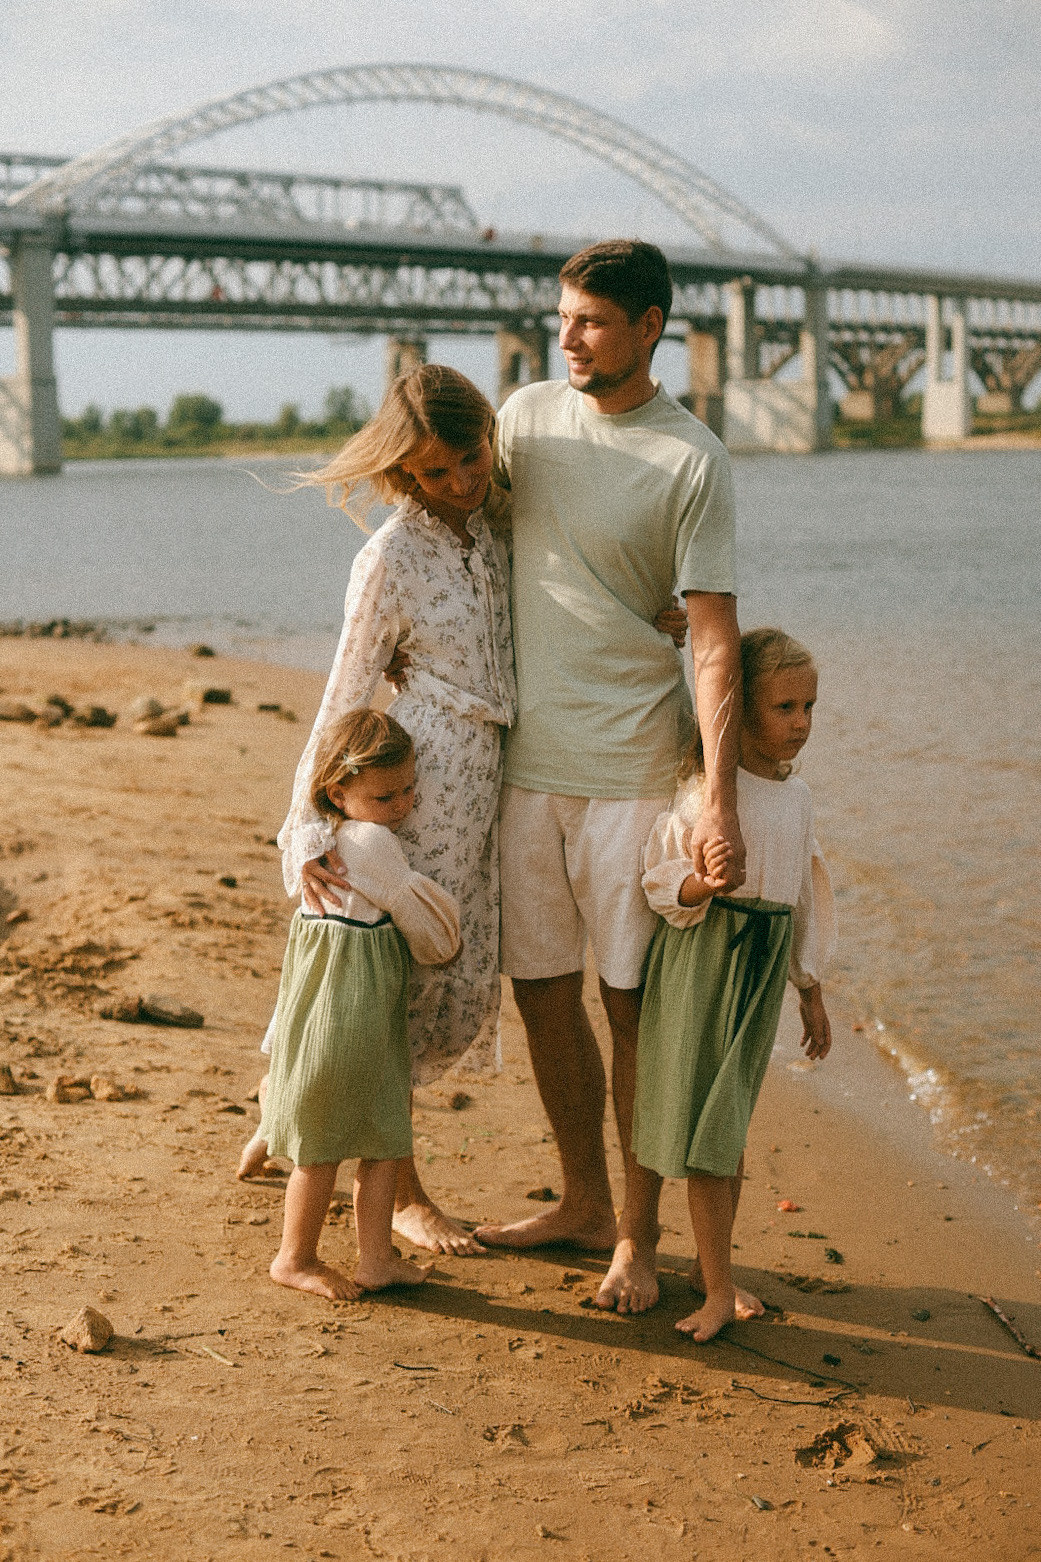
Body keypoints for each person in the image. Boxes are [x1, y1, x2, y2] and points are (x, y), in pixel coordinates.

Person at [474, 240, 746, 1289]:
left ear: (650, 327)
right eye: (563, 316)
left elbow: (715, 636)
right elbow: (460, 513)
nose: (569, 336)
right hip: (524, 762)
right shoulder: (527, 417)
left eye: (591, 319)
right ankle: (582, 1200)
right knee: (542, 990)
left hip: (633, 766)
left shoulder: (694, 459)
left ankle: (638, 1233)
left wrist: (716, 797)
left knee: (631, 1005)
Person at [239, 365, 512, 1257]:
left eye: (468, 459)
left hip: (494, 780)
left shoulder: (509, 519)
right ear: (402, 476)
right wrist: (309, 826)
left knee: (452, 974)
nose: (458, 483)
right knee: (393, 983)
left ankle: (291, 1115)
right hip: (420, 780)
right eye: (433, 474)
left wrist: (659, 616)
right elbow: (345, 690)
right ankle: (402, 1196)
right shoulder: (390, 555)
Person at [625, 627, 835, 1339]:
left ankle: (705, 1269)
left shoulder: (797, 797)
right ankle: (716, 1287)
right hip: (703, 961)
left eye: (809, 706)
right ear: (738, 710)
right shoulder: (705, 799)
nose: (800, 723)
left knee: (729, 1127)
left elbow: (805, 893)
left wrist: (809, 985)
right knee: (709, 1132)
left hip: (761, 969)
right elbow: (658, 884)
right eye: (784, 707)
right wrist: (699, 883)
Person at [260, 709, 461, 1301]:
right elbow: (422, 922)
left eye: (407, 790)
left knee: (380, 1139)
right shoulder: (369, 842)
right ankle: (294, 1257)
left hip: (347, 1010)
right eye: (383, 796)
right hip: (346, 1015)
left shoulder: (320, 843)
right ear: (337, 792)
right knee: (333, 1145)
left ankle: (377, 1259)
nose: (400, 805)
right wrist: (449, 939)